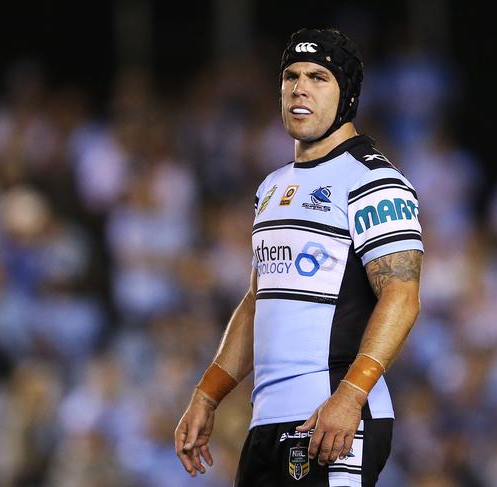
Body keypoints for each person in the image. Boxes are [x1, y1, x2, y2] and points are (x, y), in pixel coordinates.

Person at [175, 27, 423, 486]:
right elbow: (258, 301)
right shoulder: (270, 187)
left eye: (318, 76)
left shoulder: (374, 182)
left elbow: (402, 297)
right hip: (265, 423)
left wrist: (350, 395)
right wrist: (207, 396)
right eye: (290, 76)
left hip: (329, 417)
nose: (299, 88)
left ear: (346, 93)